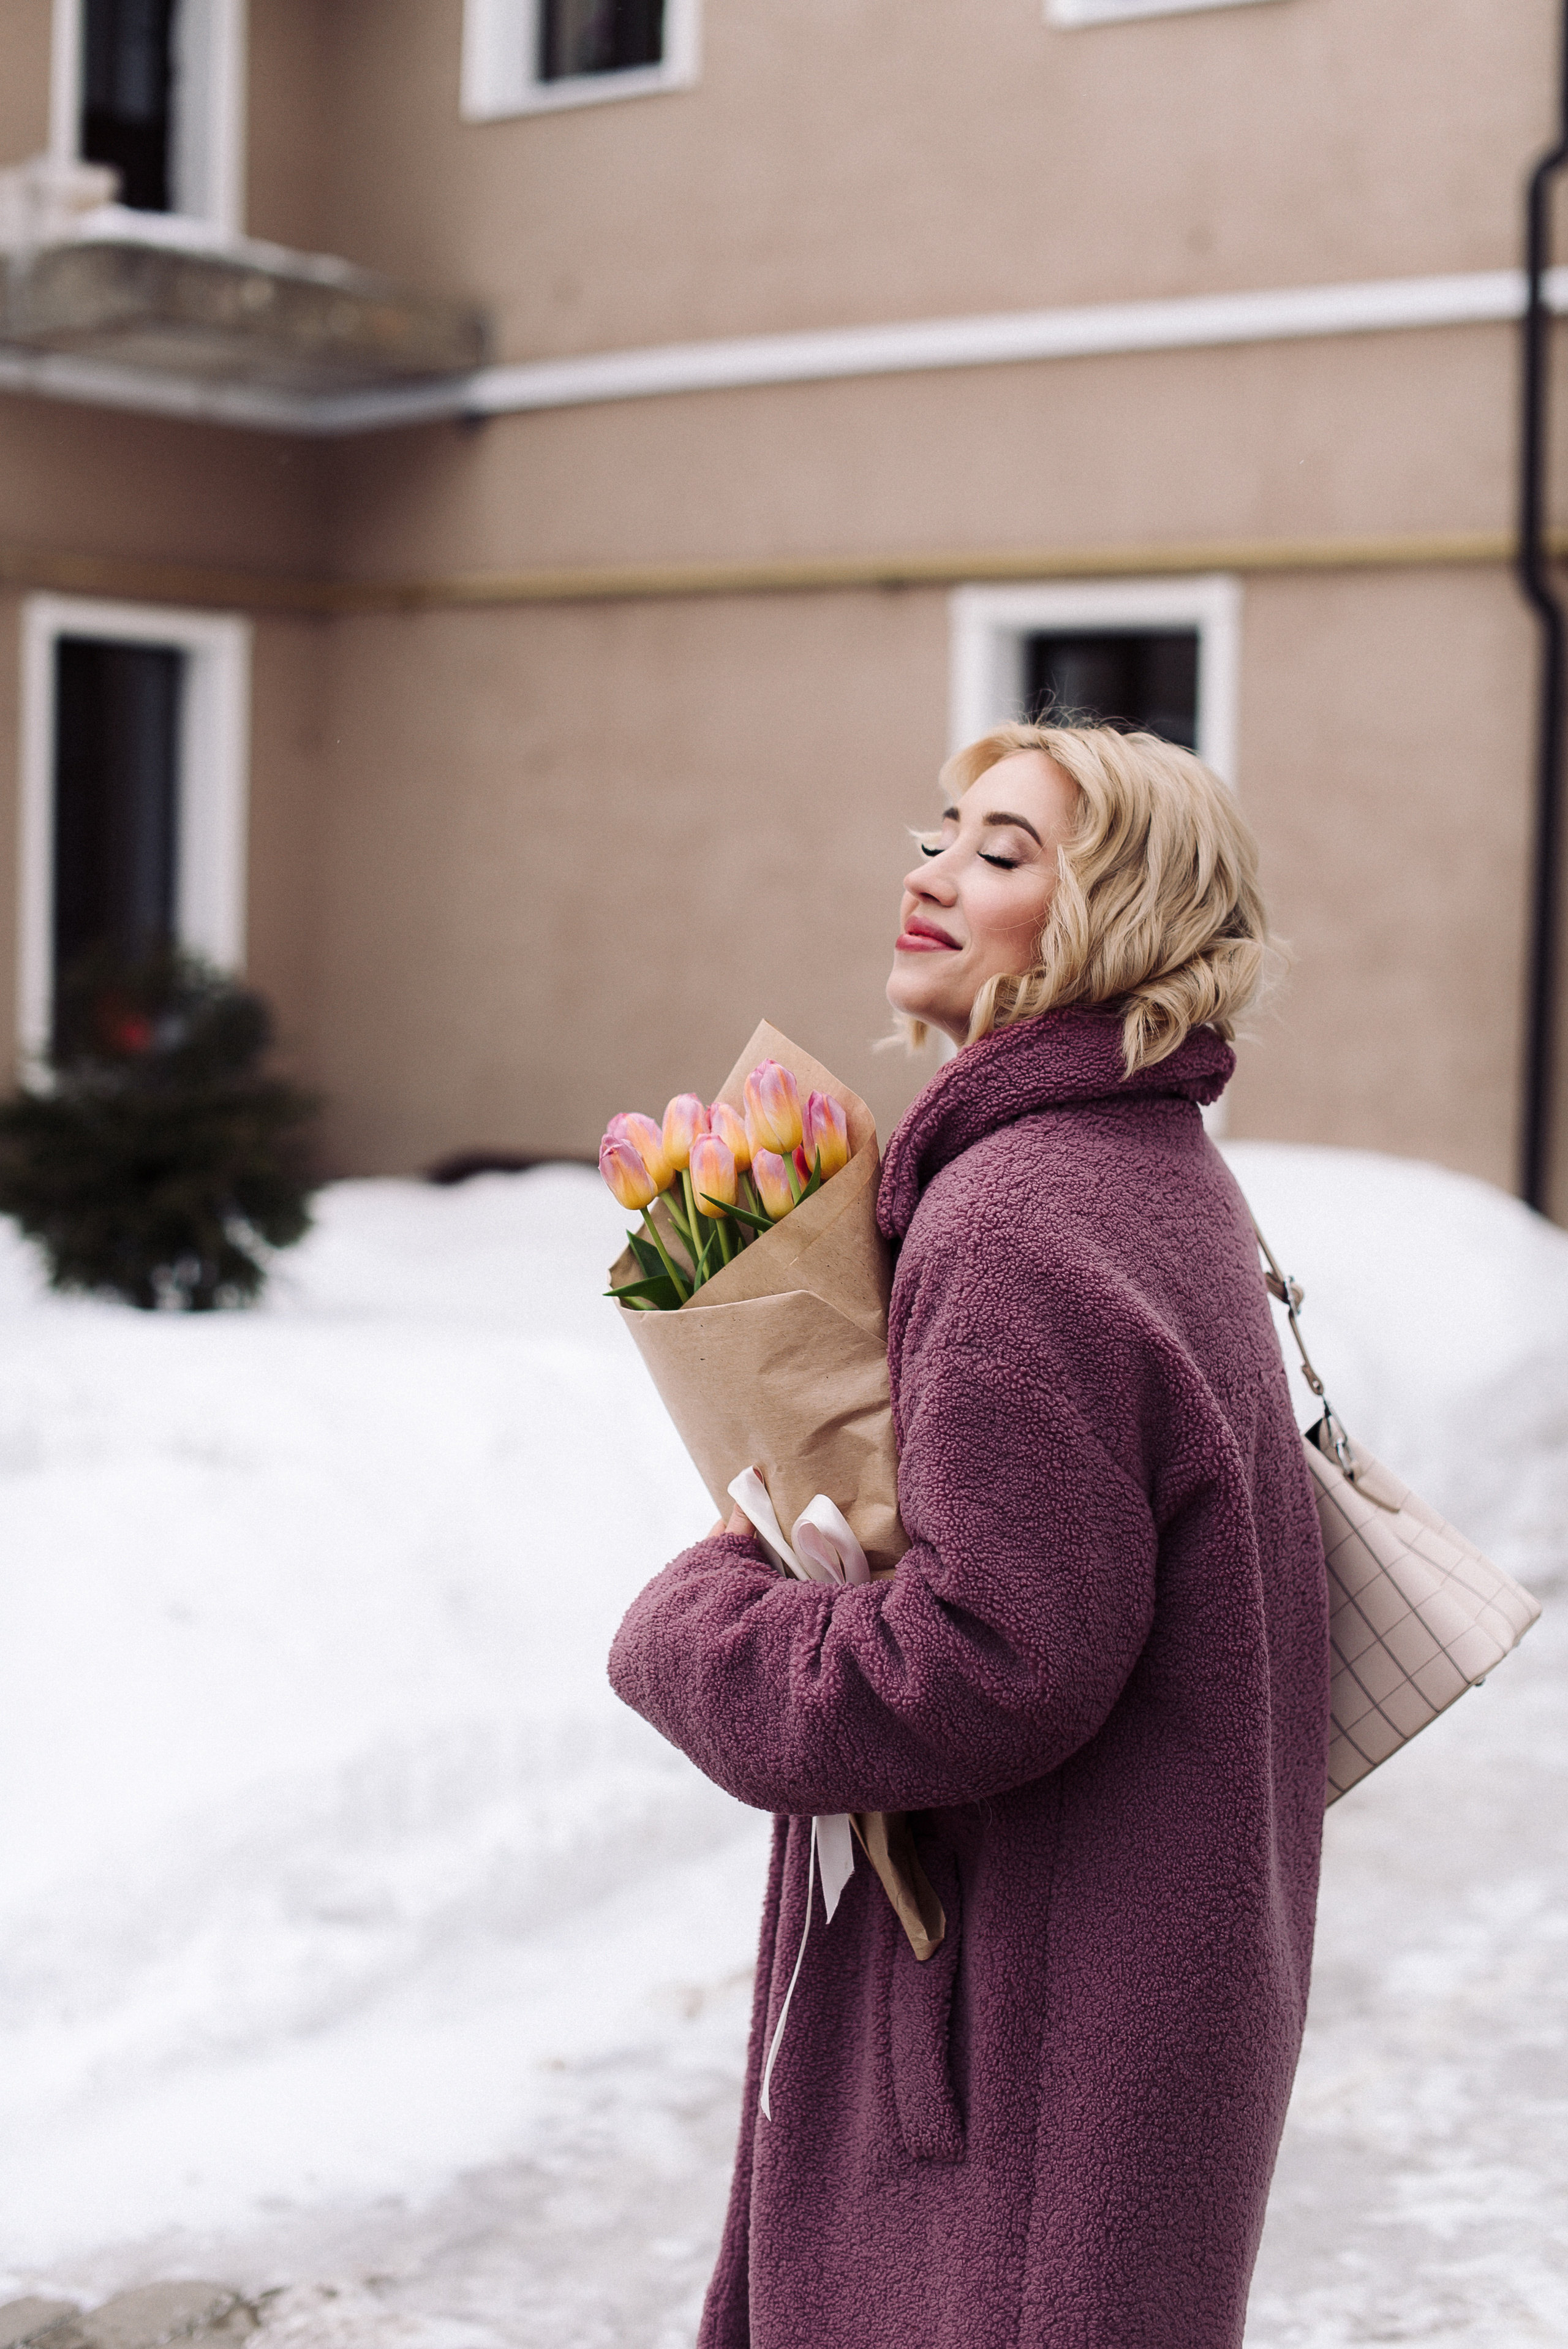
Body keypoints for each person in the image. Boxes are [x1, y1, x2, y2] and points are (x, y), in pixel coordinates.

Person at [609, 722, 1330, 2349]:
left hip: (1028, 2021)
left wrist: (701, 1621)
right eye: (945, 831)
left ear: (1118, 921)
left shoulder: (1018, 1216)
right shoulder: (1138, 1166)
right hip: (1120, 1973)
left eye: (1006, 852)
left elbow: (992, 1659)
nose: (932, 874)